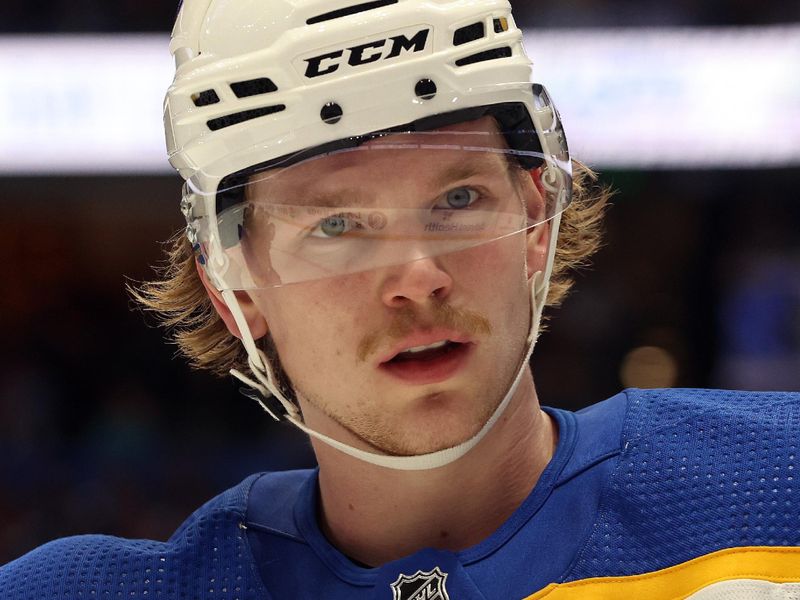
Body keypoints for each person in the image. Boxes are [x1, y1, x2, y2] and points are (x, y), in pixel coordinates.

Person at [2, 0, 799, 598]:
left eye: (457, 200)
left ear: (533, 218)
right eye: (338, 225)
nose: (418, 274)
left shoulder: (775, 487)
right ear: (231, 286)